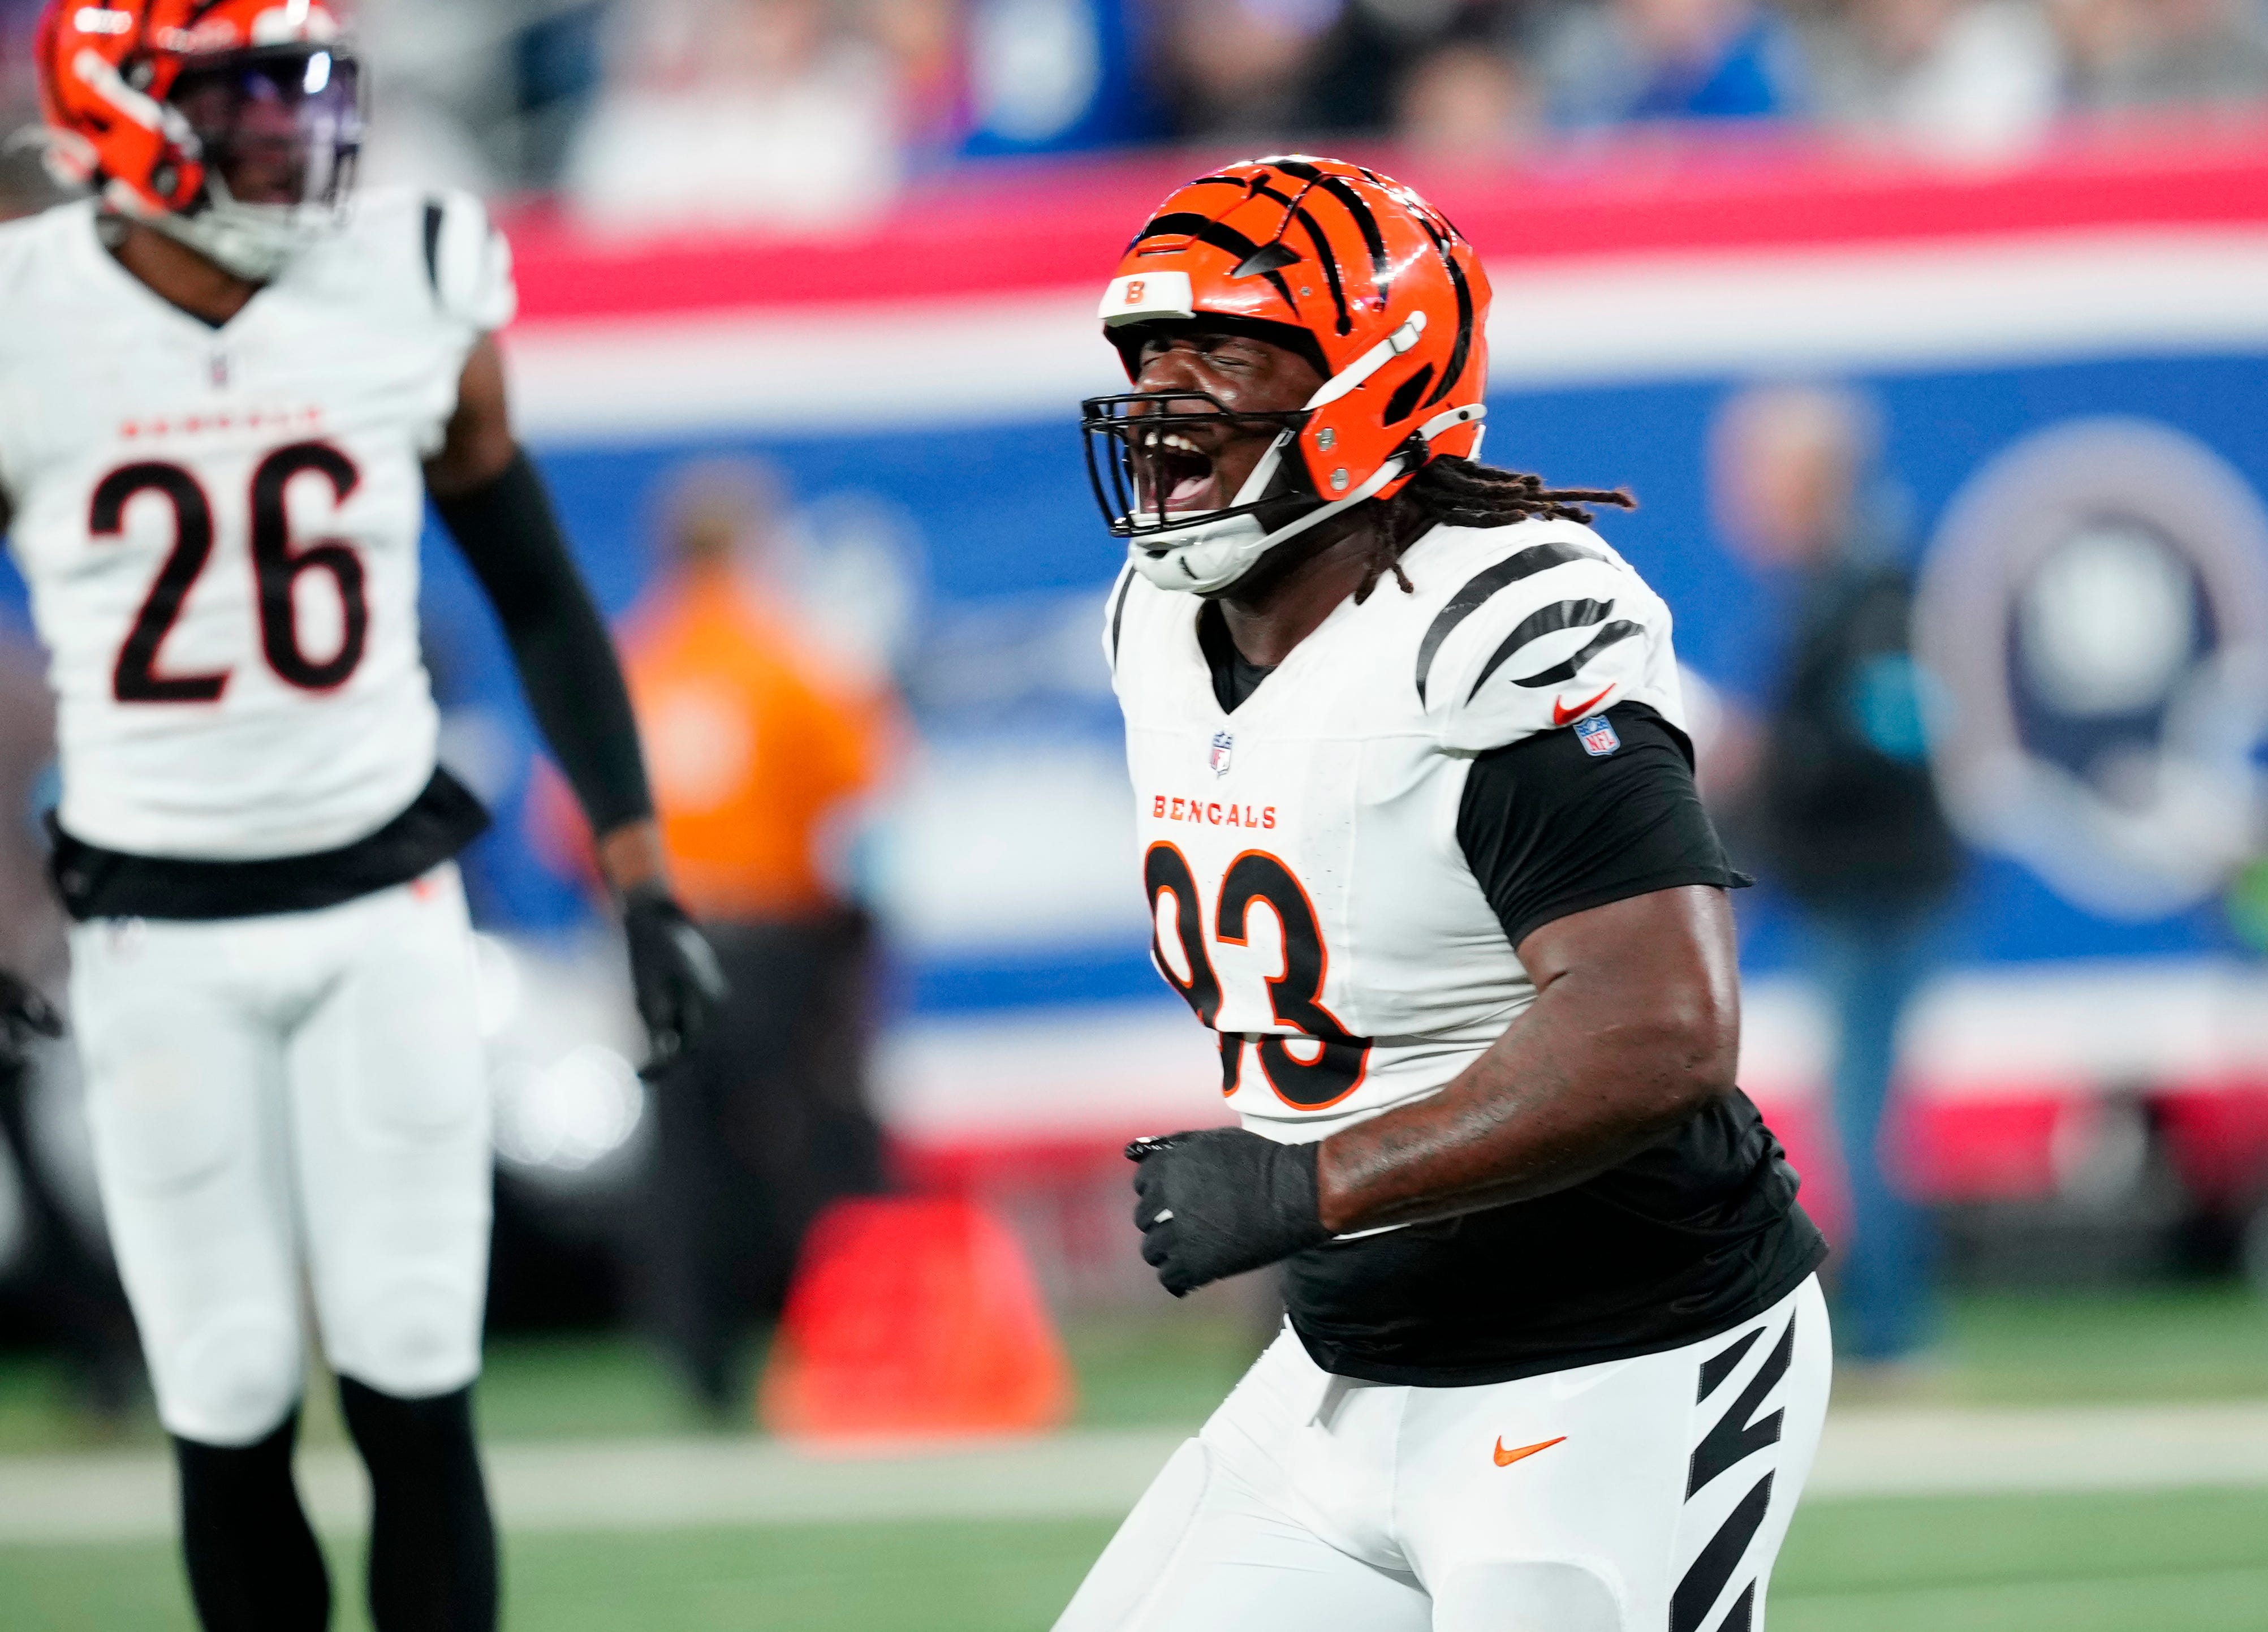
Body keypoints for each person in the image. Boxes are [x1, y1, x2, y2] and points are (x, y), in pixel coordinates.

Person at [2, 6, 723, 1630]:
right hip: (152, 931)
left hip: (381, 912)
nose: (294, 125)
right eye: (246, 92)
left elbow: (538, 590)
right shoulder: (26, 313)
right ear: (118, 111)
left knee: (414, 1369)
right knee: (229, 1391)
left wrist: (639, 869)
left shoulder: (408, 274)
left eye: (309, 85)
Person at [1058, 156, 1830, 1632]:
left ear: (1371, 373)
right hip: (1344, 1371)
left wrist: (1307, 1182)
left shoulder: (1492, 622)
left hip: (1617, 1363)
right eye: (1150, 354)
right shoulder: (1152, 621)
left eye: (1226, 349)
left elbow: (1661, 1028)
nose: (1166, 397)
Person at [611, 462, 894, 1417]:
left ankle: (697, 1357)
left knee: (686, 1152)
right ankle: (840, 1342)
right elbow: (858, 796)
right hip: (775, 931)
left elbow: (574, 827)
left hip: (662, 925)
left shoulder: (634, 658)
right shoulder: (790, 654)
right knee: (813, 1144)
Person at [1710, 382, 1958, 1368]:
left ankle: (1891, 1329)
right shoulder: (1830, 586)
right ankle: (1881, 1320)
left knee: (1865, 1107)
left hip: (1879, 887)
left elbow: (1890, 736)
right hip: (1853, 883)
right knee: (1857, 1103)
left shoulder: (1870, 590)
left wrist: (1768, 755)